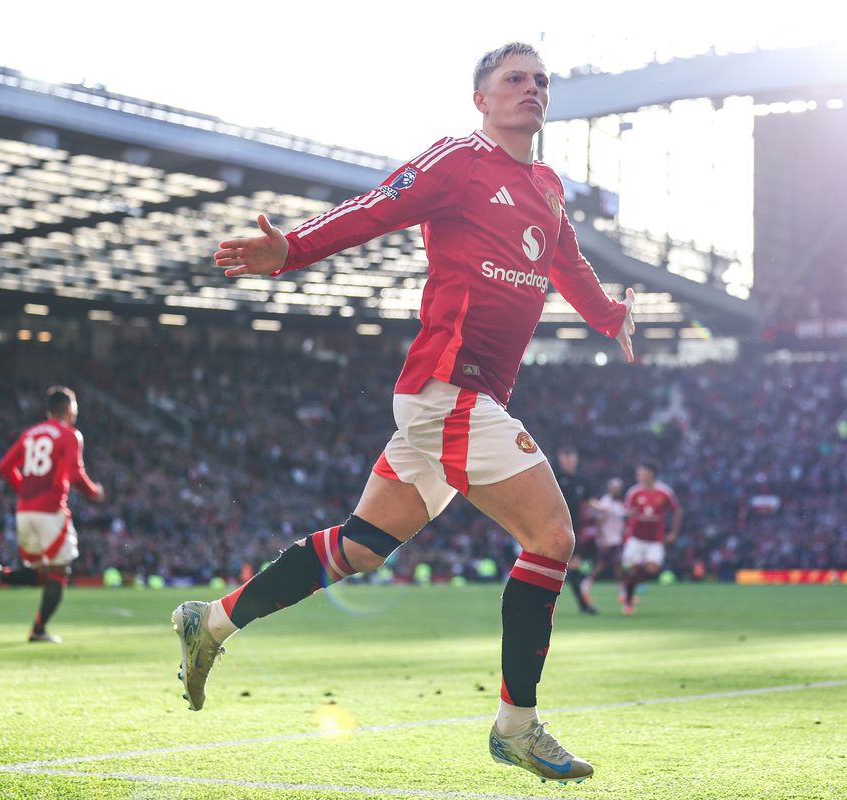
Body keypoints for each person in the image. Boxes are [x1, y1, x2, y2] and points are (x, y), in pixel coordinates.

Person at [174, 42, 636, 785]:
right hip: (449, 387)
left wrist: (609, 316)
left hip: (461, 401)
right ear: (480, 98)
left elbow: (567, 264)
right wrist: (290, 250)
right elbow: (378, 207)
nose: (533, 90)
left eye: (542, 81)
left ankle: (215, 620)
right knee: (551, 535)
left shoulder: (547, 186)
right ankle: (517, 726)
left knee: (358, 547)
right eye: (515, 79)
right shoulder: (459, 159)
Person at [0, 386, 104, 643]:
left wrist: (27, 490)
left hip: (24, 512)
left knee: (43, 573)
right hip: (50, 511)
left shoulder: (30, 433)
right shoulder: (70, 435)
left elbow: (4, 467)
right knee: (60, 573)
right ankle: (38, 630)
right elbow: (75, 473)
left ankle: (0, 575)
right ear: (70, 410)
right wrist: (95, 492)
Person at [620, 462, 680, 615]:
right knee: (633, 569)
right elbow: (627, 512)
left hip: (655, 540)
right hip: (635, 538)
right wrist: (627, 521)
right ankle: (628, 599)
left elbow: (677, 512)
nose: (638, 475)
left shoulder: (664, 492)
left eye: (641, 472)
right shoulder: (634, 492)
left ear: (651, 474)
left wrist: (673, 532)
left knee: (652, 569)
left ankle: (627, 589)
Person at [555, 446, 598, 614]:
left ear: (576, 460)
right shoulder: (554, 478)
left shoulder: (581, 481)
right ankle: (584, 606)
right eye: (565, 458)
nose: (568, 462)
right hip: (555, 528)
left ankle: (583, 606)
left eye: (570, 458)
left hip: (574, 529)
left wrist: (609, 510)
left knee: (572, 567)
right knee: (570, 567)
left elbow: (591, 501)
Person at [585, 477, 627, 599]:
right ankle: (622, 591)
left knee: (609, 564)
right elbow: (599, 521)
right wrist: (602, 538)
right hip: (609, 539)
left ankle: (587, 585)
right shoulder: (605, 502)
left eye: (618, 488)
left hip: (616, 538)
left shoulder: (617, 503)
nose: (617, 490)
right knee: (607, 564)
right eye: (615, 488)